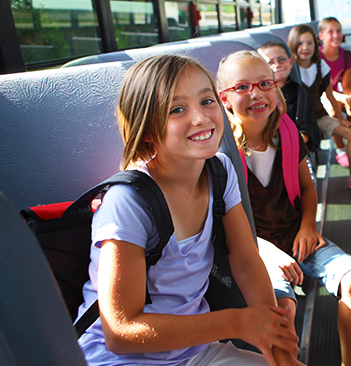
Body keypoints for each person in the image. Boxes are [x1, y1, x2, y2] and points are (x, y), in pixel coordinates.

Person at [76, 54, 302, 366]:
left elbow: (247, 263)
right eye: (177, 109)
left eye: (207, 101)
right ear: (147, 128)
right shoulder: (128, 201)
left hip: (196, 351)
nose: (201, 118)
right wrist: (239, 323)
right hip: (121, 360)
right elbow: (120, 331)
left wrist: (278, 349)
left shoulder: (219, 172)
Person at [216, 50, 351, 366]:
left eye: (264, 84)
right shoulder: (220, 152)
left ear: (276, 88)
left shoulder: (286, 133)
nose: (256, 93)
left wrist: (308, 226)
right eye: (242, 87)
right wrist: (268, 252)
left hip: (296, 234)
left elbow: (308, 187)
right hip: (254, 250)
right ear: (225, 98)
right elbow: (222, 227)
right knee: (283, 308)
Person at [288, 24, 351, 189]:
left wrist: (340, 118)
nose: (305, 48)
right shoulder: (290, 69)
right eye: (301, 43)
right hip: (300, 121)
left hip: (319, 116)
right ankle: (302, 187)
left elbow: (330, 95)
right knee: (299, 145)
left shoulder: (320, 66)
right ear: (293, 45)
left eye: (310, 43)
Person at [257, 40, 321, 154]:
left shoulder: (300, 94)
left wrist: (289, 149)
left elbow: (307, 129)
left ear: (291, 62)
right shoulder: (256, 96)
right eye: (270, 62)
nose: (277, 65)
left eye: (281, 59)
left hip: (293, 149)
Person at [318, 17, 351, 164]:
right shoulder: (317, 57)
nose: (336, 35)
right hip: (322, 95)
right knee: (333, 110)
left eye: (338, 31)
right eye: (330, 32)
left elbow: (347, 85)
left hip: (338, 92)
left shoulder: (346, 55)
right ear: (321, 36)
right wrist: (342, 98)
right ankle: (340, 149)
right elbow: (323, 91)